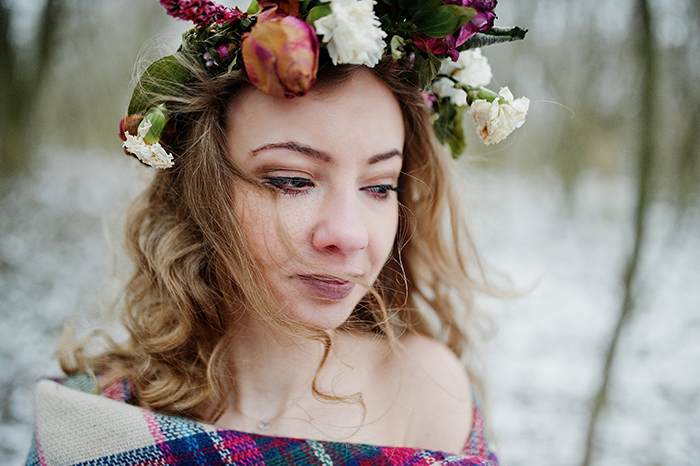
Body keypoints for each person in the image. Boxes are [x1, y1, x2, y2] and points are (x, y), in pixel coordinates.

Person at [27, 0, 529, 464]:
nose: (348, 234)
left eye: (378, 187)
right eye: (292, 181)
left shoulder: (430, 395)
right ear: (202, 189)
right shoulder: (96, 421)